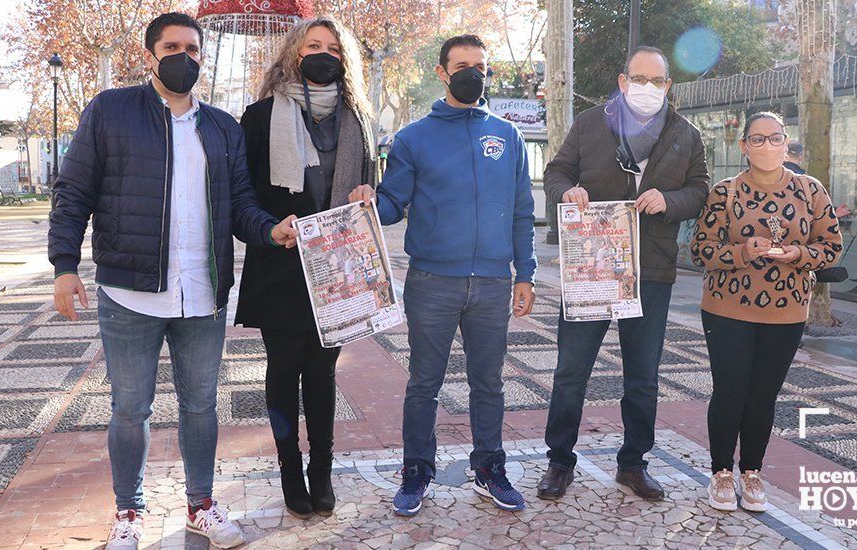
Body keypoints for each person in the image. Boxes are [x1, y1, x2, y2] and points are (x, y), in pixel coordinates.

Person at [48, 12, 297, 550]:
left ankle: (200, 505)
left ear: (203, 55)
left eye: (193, 48)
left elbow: (241, 205)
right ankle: (128, 513)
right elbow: (73, 192)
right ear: (149, 55)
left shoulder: (223, 127)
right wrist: (65, 266)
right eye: (171, 47)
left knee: (200, 405)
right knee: (130, 408)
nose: (184, 56)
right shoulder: (111, 111)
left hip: (202, 293)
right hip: (130, 293)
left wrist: (272, 230)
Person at [348, 34, 537, 516]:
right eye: (462, 65)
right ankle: (417, 471)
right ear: (443, 72)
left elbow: (521, 211)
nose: (472, 73)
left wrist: (525, 274)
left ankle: (490, 467)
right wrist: (371, 200)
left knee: (489, 383)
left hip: (494, 283)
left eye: (480, 66)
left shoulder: (508, 135)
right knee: (424, 383)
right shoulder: (414, 137)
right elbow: (392, 205)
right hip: (433, 282)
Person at [539, 46, 710, 501]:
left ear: (669, 85)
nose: (648, 88)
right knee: (571, 369)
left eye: (657, 81)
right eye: (640, 78)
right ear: (622, 80)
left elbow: (700, 190)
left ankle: (633, 463)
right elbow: (555, 172)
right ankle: (559, 462)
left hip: (651, 269)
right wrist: (568, 191)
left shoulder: (686, 134)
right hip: (592, 264)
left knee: (644, 374)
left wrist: (669, 202)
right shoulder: (590, 123)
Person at [234, 15, 376, 520]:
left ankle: (322, 473)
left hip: (336, 272)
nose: (324, 55)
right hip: (281, 266)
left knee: (322, 373)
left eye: (335, 50)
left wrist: (367, 193)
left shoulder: (359, 121)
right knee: (282, 372)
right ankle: (289, 471)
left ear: (345, 61)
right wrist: (271, 226)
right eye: (314, 46)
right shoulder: (258, 117)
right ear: (295, 53)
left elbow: (368, 188)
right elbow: (240, 196)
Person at [691, 112, 842, 512]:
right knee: (731, 390)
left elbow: (830, 246)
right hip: (727, 310)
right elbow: (700, 249)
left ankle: (751, 472)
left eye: (774, 138)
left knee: (763, 395)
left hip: (787, 311)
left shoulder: (810, 190)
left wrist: (799, 254)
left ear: (786, 143)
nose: (767, 146)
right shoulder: (726, 192)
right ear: (743, 147)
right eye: (757, 140)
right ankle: (722, 472)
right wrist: (742, 251)